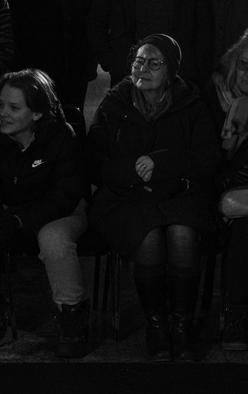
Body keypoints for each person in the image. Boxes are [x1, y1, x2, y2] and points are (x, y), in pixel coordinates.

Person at [87, 34, 221, 362]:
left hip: (179, 193)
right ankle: (157, 326)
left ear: (171, 70)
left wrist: (164, 163)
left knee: (182, 234)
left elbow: (208, 160)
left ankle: (182, 326)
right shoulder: (114, 103)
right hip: (126, 198)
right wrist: (130, 170)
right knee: (147, 237)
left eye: (154, 63)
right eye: (138, 61)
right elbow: (91, 162)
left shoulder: (190, 104)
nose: (143, 68)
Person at [0, 68, 90, 357]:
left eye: (14, 107)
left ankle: (71, 316)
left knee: (54, 240)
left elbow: (63, 197)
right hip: (3, 214)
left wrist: (20, 220)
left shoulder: (61, 137)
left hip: (56, 213)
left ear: (37, 114)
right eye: (1, 104)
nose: (3, 113)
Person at [206, 28, 248, 350]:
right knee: (247, 227)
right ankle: (235, 316)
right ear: (234, 61)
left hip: (247, 197)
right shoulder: (212, 97)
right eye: (244, 65)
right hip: (217, 193)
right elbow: (203, 162)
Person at [87, 0, 214, 91]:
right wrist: (113, 63)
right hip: (130, 74)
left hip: (179, 74)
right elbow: (96, 23)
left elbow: (205, 26)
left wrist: (197, 67)